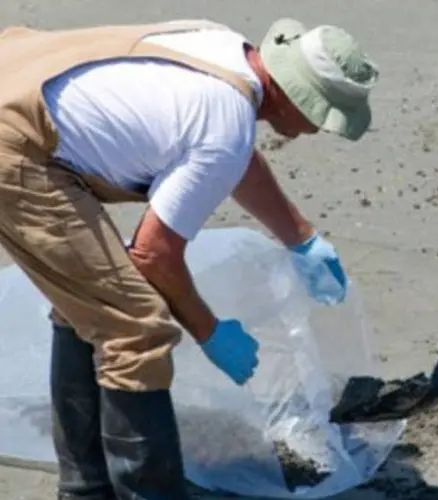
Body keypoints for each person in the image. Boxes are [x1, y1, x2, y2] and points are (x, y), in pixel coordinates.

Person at [0, 17, 379, 499]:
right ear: (295, 96)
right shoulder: (226, 125)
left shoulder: (223, 50)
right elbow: (154, 255)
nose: (318, 130)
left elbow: (234, 154)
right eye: (322, 115)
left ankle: (87, 488)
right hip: (17, 144)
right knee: (136, 329)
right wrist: (210, 332)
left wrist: (300, 237)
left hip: (14, 75)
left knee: (93, 304)